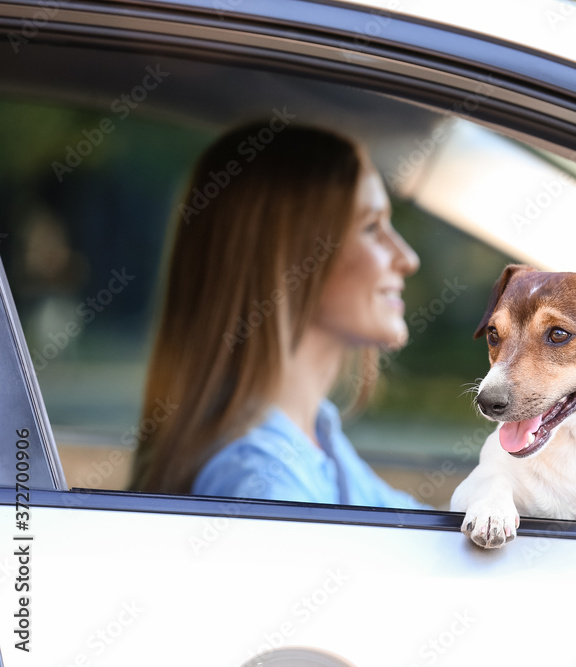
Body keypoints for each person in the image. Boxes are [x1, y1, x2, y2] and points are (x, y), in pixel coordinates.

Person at [130, 121, 425, 509]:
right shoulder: (260, 478)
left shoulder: (315, 435)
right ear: (292, 259)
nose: (407, 259)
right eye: (372, 227)